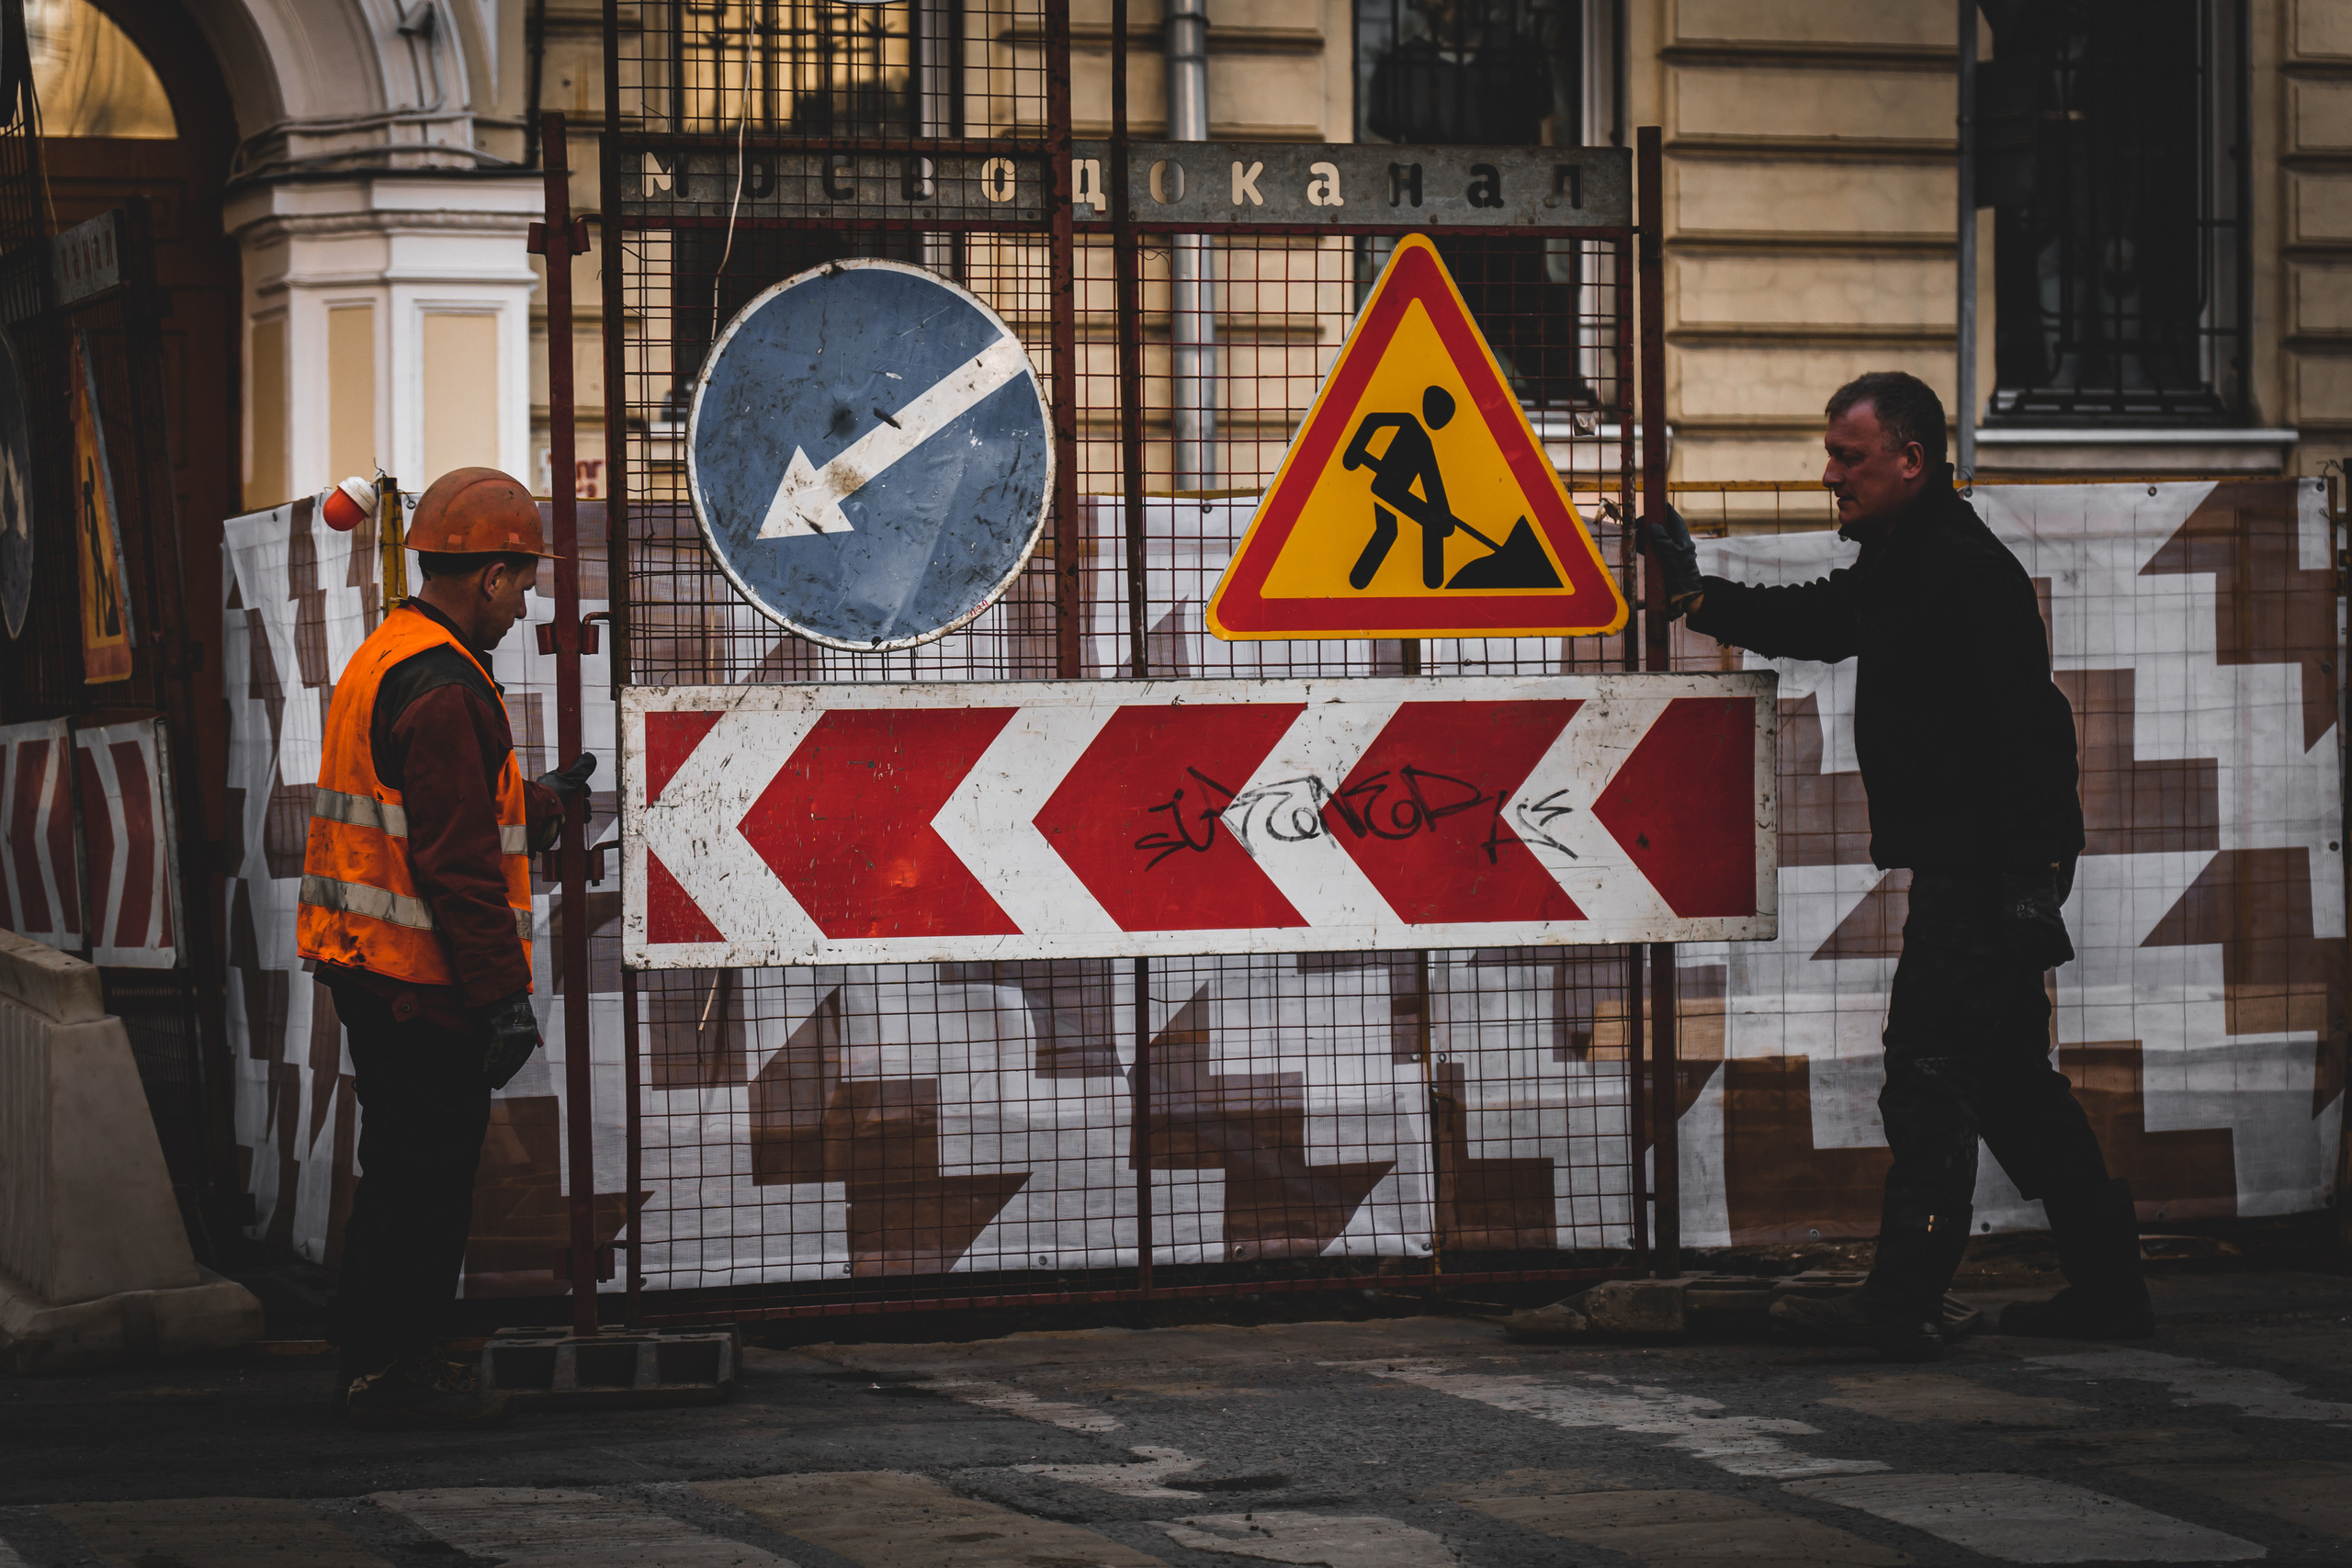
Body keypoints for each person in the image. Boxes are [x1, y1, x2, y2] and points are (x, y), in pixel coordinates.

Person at [1643, 371, 2149, 1361]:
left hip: (1985, 870)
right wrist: (1699, 594)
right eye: (1831, 453)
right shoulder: (1908, 558)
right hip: (1983, 865)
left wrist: (2023, 881)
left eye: (1848, 456)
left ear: (1909, 459)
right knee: (2007, 1080)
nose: (1829, 473)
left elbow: (2027, 731)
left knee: (1926, 1070)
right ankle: (2111, 1290)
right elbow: (1829, 623)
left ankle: (1904, 1297)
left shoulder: (1960, 566)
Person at [300, 467, 597, 1427]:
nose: (527, 604)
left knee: (402, 1167)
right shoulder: (441, 686)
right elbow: (459, 861)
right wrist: (502, 994)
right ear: (492, 578)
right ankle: (392, 1369)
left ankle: (375, 1351)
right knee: (422, 1178)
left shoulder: (393, 653)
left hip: (376, 966)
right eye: (524, 581)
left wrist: (543, 804)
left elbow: (455, 808)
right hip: (417, 980)